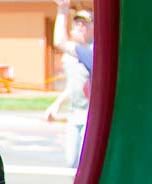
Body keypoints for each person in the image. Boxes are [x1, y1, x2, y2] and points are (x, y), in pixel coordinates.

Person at [50, 1, 94, 168]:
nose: (81, 27)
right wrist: (57, 104)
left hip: (90, 115)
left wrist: (62, 10)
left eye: (85, 23)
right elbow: (74, 86)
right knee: (71, 160)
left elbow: (59, 42)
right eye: (78, 23)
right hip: (74, 113)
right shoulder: (73, 56)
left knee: (85, 163)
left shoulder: (93, 52)